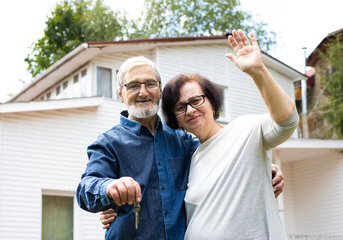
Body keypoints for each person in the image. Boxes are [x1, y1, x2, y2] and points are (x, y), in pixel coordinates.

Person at [77, 53, 285, 239]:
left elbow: (217, 158)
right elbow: (85, 189)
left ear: (159, 90)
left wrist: (264, 169)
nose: (143, 92)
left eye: (150, 84)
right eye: (133, 86)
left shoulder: (183, 141)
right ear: (121, 95)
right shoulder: (108, 143)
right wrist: (108, 189)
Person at [160, 30, 298, 239]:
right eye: (180, 107)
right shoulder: (190, 160)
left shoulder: (246, 130)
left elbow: (287, 122)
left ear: (212, 103)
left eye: (196, 100)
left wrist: (258, 71)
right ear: (175, 119)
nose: (190, 110)